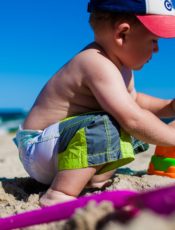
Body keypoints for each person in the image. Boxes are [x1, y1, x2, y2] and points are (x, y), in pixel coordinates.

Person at [14, 0, 175, 206]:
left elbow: (133, 101)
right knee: (114, 124)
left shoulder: (122, 67)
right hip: (38, 149)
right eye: (154, 40)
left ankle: (90, 179)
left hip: (60, 148)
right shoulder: (95, 62)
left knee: (125, 124)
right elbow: (133, 118)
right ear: (122, 34)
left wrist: (168, 106)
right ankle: (60, 194)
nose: (157, 49)